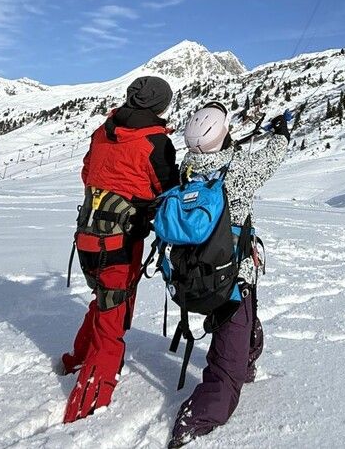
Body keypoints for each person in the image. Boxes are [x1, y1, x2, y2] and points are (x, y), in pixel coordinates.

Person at [168, 102, 291, 448]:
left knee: (246, 321)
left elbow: (220, 154)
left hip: (201, 268)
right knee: (229, 350)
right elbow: (268, 162)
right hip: (231, 274)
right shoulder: (237, 170)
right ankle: (203, 414)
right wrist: (281, 133)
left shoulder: (188, 167)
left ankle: (247, 364)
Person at [61, 75, 179, 423]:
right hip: (121, 240)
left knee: (104, 300)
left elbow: (88, 173)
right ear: (161, 106)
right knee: (114, 311)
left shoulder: (104, 128)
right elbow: (166, 191)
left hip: (87, 233)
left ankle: (78, 359)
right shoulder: (155, 142)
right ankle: (91, 402)